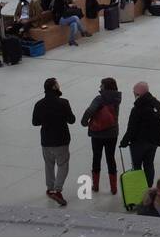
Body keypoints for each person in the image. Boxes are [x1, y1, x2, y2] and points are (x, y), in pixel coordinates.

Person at [32, 78, 75, 207]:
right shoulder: (63, 103)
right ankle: (57, 189)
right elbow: (72, 120)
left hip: (46, 140)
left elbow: (35, 122)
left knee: (49, 164)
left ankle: (50, 188)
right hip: (61, 140)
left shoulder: (39, 104)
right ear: (55, 87)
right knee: (63, 165)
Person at [82, 77, 123, 195]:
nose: (100, 87)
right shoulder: (117, 99)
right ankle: (114, 187)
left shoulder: (99, 99)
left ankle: (95, 185)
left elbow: (90, 111)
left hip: (97, 133)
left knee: (97, 157)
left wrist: (84, 122)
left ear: (105, 87)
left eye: (101, 85)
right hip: (112, 133)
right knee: (110, 158)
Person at [119, 81, 160, 187]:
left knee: (137, 167)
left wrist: (124, 142)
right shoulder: (156, 104)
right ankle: (149, 187)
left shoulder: (137, 110)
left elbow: (131, 129)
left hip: (139, 144)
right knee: (149, 165)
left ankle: (139, 188)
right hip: (153, 142)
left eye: (134, 93)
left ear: (138, 94)